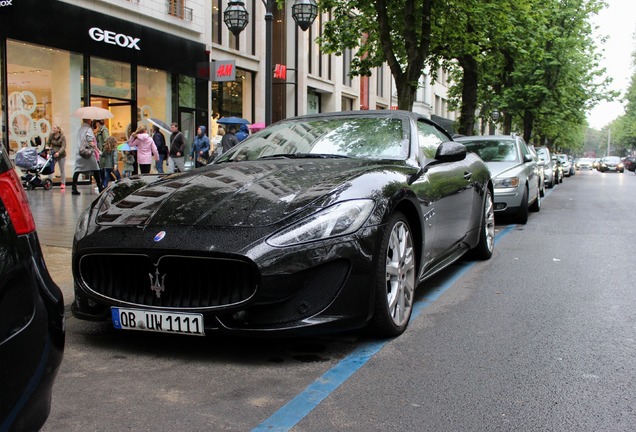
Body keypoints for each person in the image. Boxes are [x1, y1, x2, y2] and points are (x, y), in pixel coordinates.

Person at [71, 118, 102, 195]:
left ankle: (74, 188)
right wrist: (97, 150)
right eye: (90, 120)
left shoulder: (80, 129)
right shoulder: (88, 129)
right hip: (88, 153)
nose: (91, 121)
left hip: (80, 153)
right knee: (96, 169)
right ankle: (100, 187)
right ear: (88, 121)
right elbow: (90, 141)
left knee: (77, 170)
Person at [47, 125, 67, 190]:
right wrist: (47, 147)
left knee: (62, 169)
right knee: (50, 168)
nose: (53, 129)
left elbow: (63, 146)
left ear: (58, 129)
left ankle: (63, 183)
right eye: (53, 128)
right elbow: (48, 143)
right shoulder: (51, 136)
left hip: (61, 155)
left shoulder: (62, 137)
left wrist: (59, 152)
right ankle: (49, 182)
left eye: (55, 128)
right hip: (53, 154)